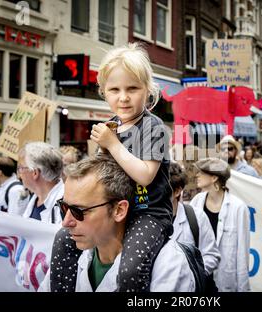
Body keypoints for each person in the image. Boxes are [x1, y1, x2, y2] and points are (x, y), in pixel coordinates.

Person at [39, 154, 195, 292]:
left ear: (119, 210)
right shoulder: (67, 256)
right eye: (64, 207)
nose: (66, 222)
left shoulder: (168, 265)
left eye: (79, 211)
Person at [89, 43, 172, 292]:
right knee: (64, 239)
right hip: (111, 213)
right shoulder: (109, 128)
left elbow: (146, 175)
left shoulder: (153, 127)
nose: (123, 97)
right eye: (114, 89)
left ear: (147, 90)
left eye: (132, 88)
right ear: (104, 92)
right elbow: (99, 176)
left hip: (147, 213)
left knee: (131, 270)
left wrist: (112, 145)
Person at [190, 158, 250, 292]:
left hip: (225, 280)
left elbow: (242, 254)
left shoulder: (238, 208)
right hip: (200, 278)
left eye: (202, 172)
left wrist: (243, 289)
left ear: (214, 178)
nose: (197, 175)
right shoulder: (196, 201)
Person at [169, 162, 220, 276]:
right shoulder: (145, 220)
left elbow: (211, 255)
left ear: (177, 191)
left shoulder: (196, 217)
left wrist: (192, 277)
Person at [19, 142, 64, 224]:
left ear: (35, 173)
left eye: (21, 168)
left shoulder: (65, 202)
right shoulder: (35, 197)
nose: (19, 174)